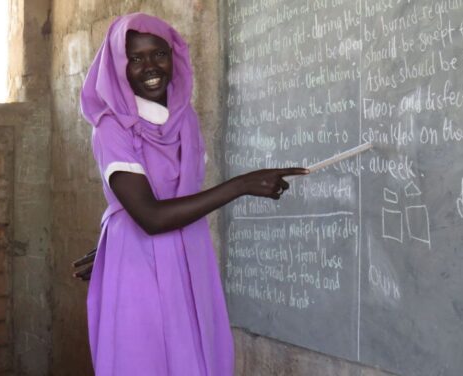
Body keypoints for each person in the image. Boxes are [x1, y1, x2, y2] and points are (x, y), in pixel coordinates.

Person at [78, 13, 308, 375]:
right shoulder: (112, 128)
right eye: (134, 58)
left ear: (174, 57)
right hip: (143, 263)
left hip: (188, 255)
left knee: (195, 356)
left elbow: (154, 206)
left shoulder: (185, 118)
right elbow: (151, 217)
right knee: (146, 358)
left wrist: (117, 241)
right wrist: (242, 185)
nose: (150, 66)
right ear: (118, 67)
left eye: (159, 54)